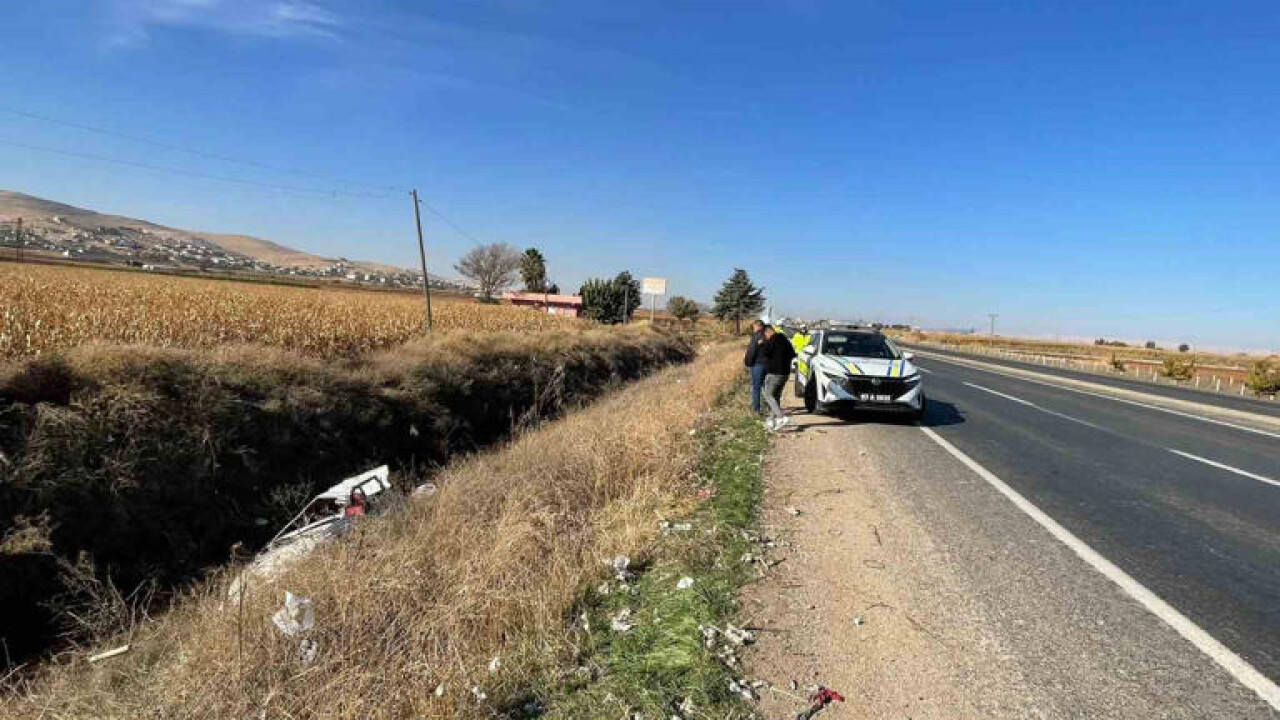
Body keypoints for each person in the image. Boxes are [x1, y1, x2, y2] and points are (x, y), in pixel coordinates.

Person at [760, 325, 797, 431]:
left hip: (774, 373)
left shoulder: (771, 341)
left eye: (765, 335)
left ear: (768, 332)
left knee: (768, 394)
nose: (765, 337)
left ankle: (781, 417)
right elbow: (793, 354)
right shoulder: (785, 341)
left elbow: (764, 353)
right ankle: (771, 420)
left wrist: (762, 344)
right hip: (785, 373)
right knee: (775, 396)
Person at [742, 319, 768, 413]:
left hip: (757, 365)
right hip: (767, 365)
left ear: (758, 326)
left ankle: (756, 409)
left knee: (756, 387)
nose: (753, 329)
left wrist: (747, 362)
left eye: (754, 327)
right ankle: (768, 407)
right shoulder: (768, 336)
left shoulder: (756, 336)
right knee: (766, 386)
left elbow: (751, 351)